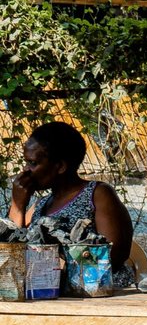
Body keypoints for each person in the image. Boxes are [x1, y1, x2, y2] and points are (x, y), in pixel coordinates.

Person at [8, 122, 136, 286]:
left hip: (101, 295)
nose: (25, 170)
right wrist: (18, 205)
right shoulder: (41, 205)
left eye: (33, 163)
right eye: (26, 162)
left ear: (60, 166)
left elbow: (113, 256)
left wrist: (54, 271)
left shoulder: (98, 194)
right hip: (50, 294)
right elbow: (8, 253)